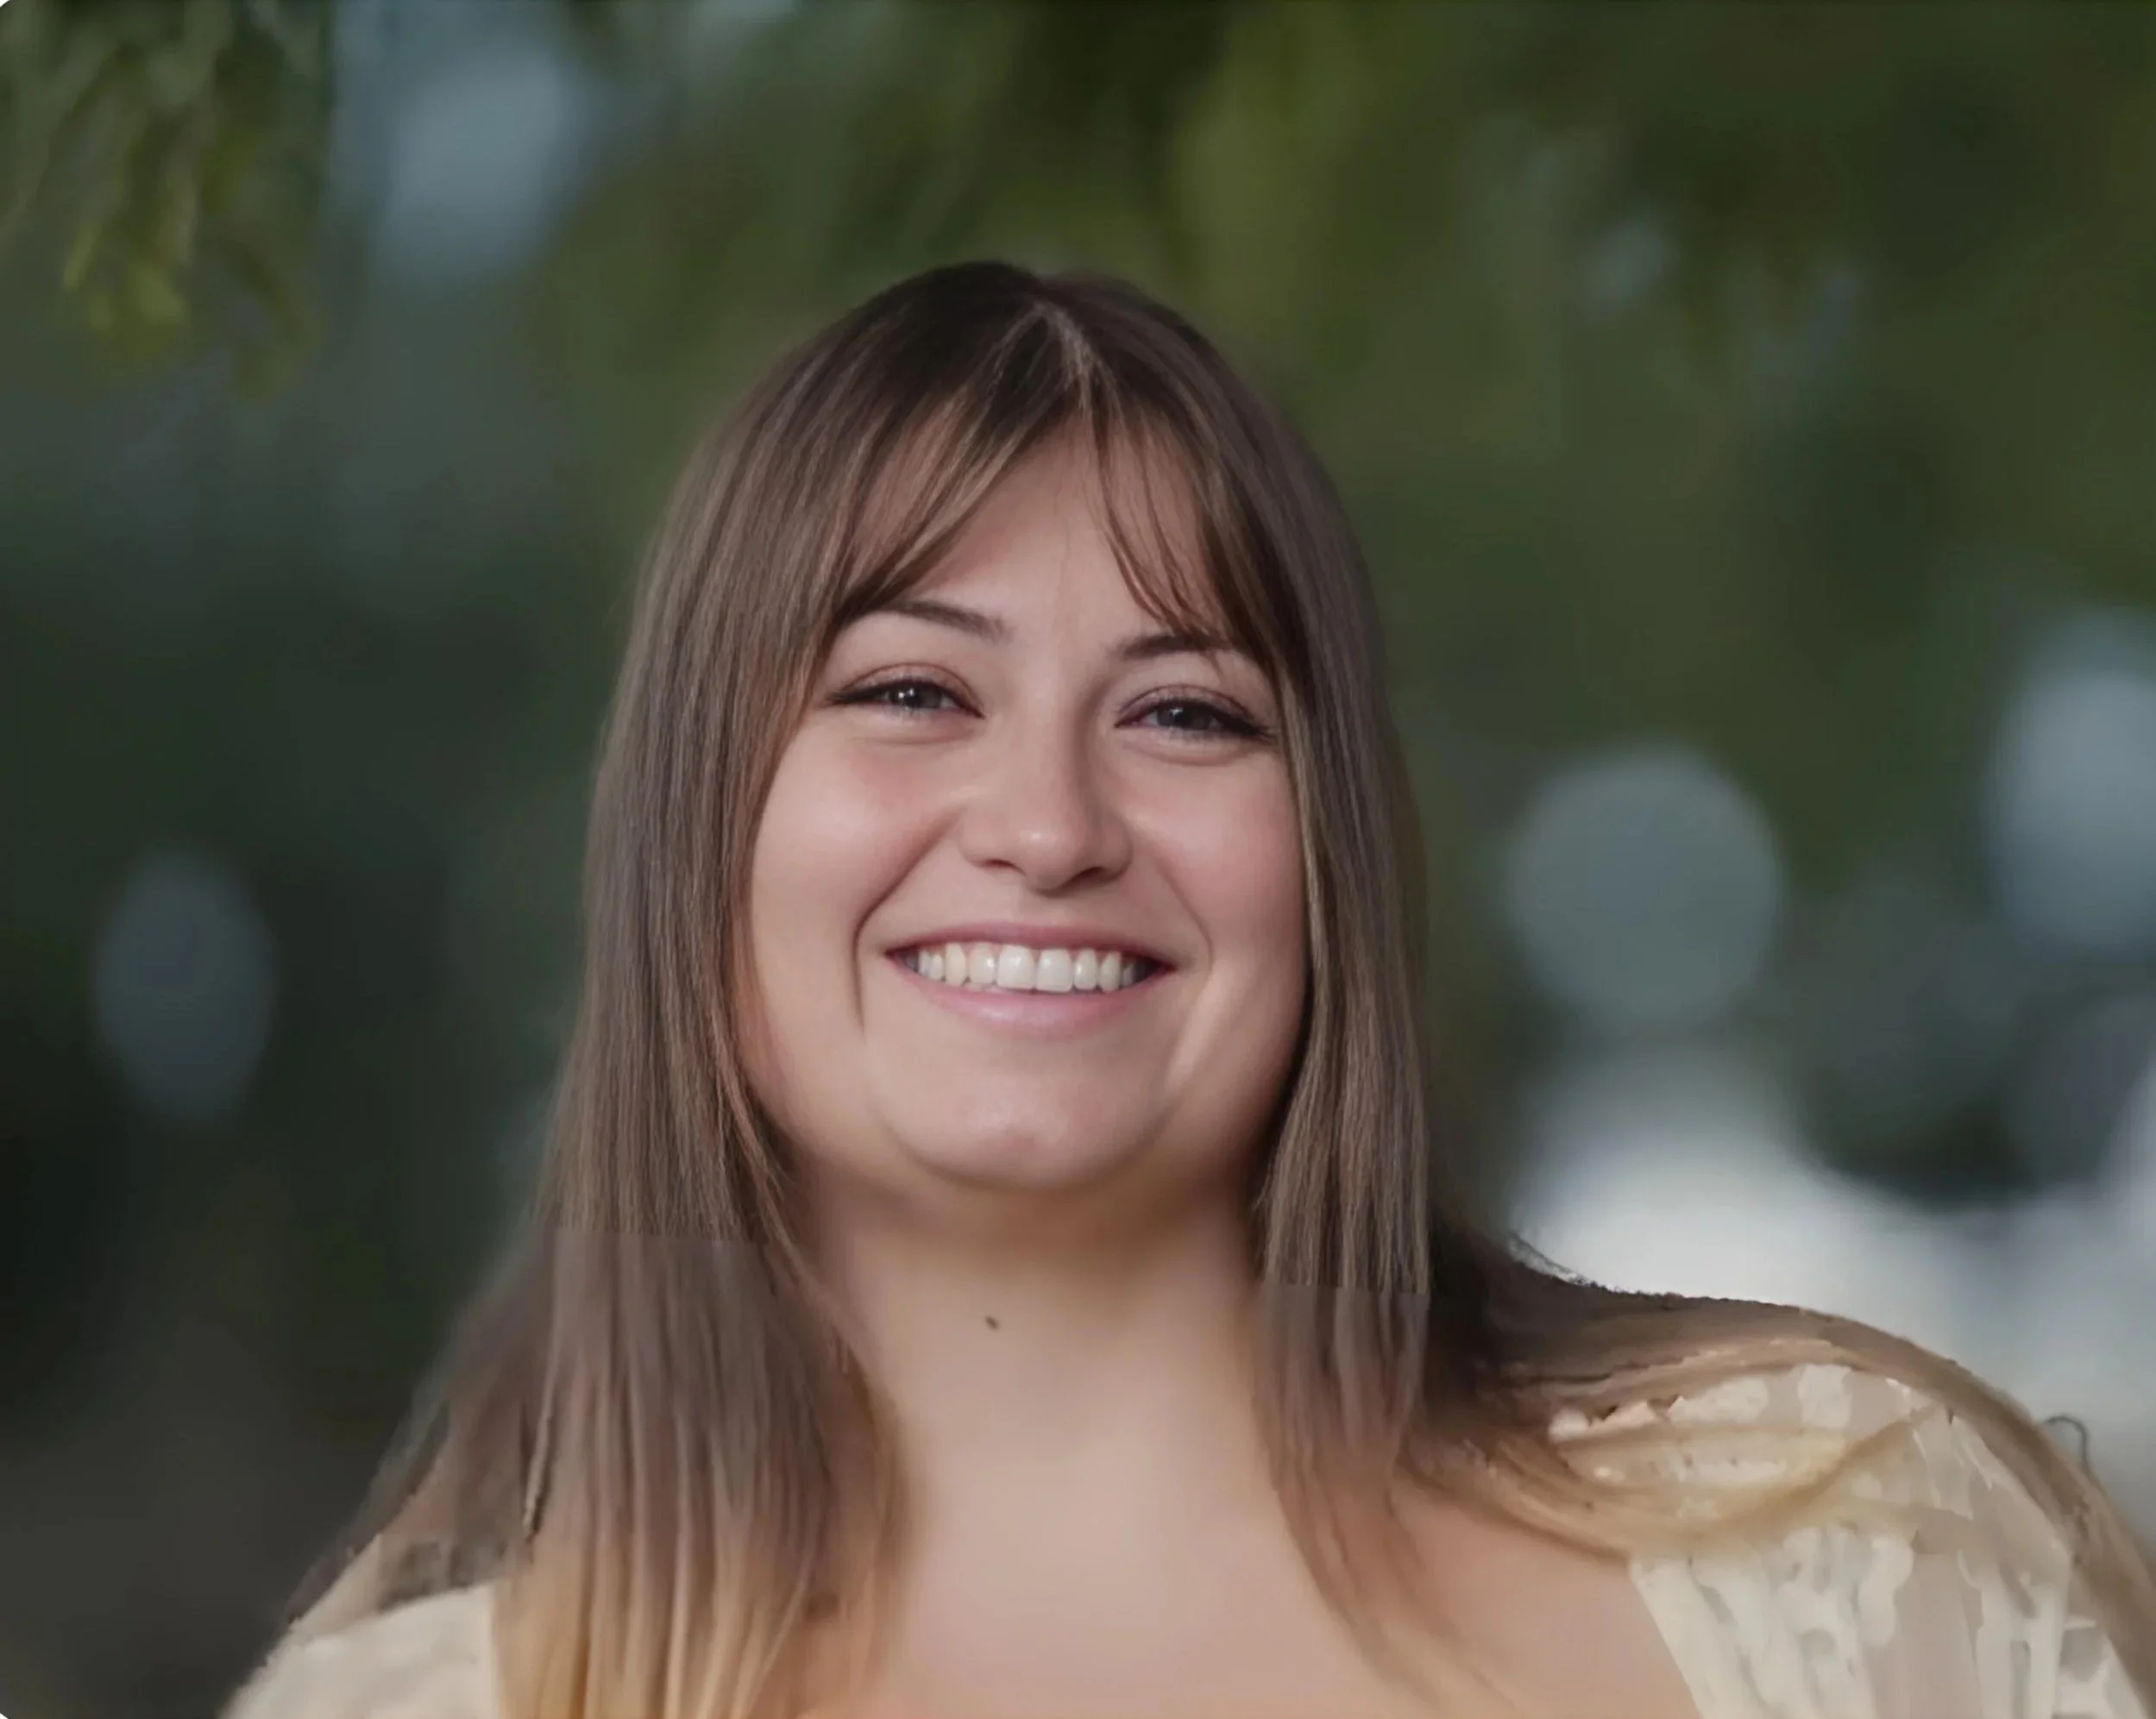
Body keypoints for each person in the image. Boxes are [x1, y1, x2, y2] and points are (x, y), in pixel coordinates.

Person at [223, 261, 2156, 1719]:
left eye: (1183, 713)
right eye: (911, 691)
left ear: (1326, 853)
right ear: (690, 840)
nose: (1049, 825)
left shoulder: (1844, 1556)